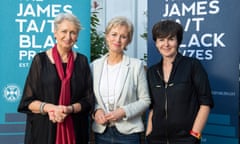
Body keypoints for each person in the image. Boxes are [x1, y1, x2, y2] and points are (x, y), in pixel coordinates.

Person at [17, 13, 94, 144]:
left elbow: (88, 100)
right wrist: (51, 108)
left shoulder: (82, 61)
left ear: (77, 37)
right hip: (43, 131)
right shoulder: (40, 60)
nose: (68, 37)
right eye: (64, 31)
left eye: (73, 32)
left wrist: (68, 109)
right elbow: (27, 102)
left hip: (75, 130)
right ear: (55, 33)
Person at [146, 20, 214, 144]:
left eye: (171, 39)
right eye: (161, 39)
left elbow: (205, 103)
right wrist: (149, 134)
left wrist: (194, 136)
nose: (166, 44)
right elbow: (153, 107)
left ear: (178, 41)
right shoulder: (152, 72)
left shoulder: (193, 65)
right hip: (156, 139)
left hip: (185, 140)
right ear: (156, 43)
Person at [91, 16, 151, 144]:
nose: (117, 40)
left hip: (128, 134)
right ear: (107, 36)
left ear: (128, 41)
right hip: (102, 133)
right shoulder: (94, 66)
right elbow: (90, 98)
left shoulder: (136, 66)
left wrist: (124, 111)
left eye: (123, 36)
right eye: (114, 34)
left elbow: (145, 100)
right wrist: (96, 110)